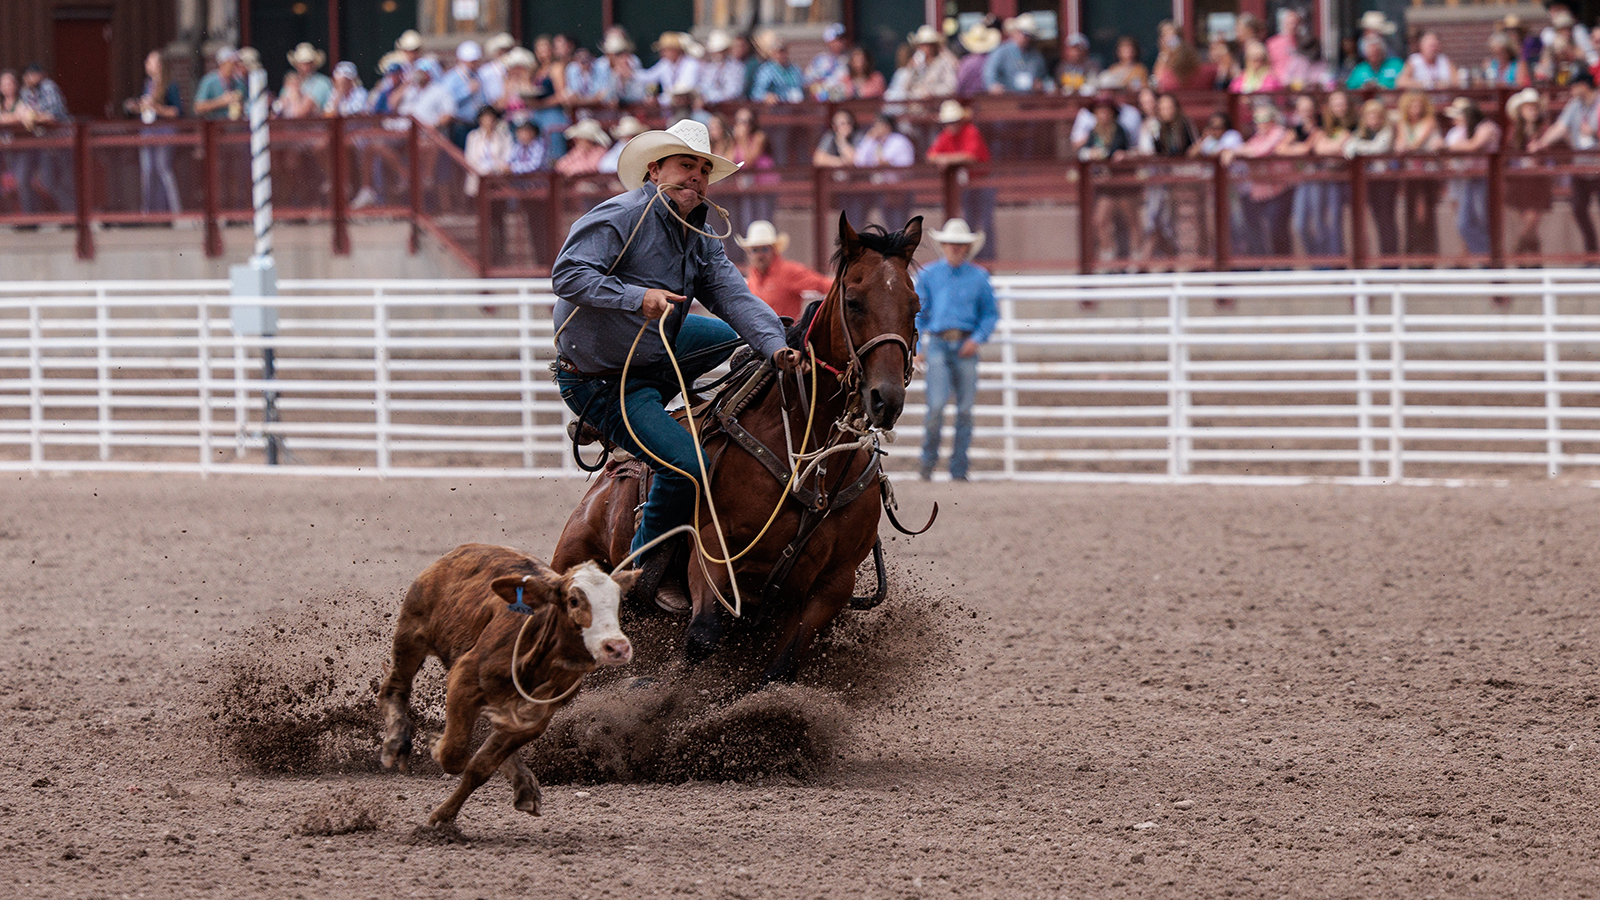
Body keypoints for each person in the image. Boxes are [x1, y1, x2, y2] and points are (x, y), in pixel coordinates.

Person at [549, 119, 802, 608]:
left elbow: (734, 296)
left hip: (649, 350)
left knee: (734, 337)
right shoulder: (619, 217)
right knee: (687, 465)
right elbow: (568, 274)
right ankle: (643, 573)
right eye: (686, 166)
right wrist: (636, 297)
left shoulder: (700, 234)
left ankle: (643, 423)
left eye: (703, 170)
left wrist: (775, 345)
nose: (696, 178)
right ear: (654, 170)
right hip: (602, 378)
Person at [915, 218, 998, 483]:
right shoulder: (929, 275)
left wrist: (977, 339)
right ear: (944, 245)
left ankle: (957, 469)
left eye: (959, 244)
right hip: (939, 343)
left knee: (963, 409)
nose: (955, 248)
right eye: (951, 244)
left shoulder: (979, 277)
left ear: (966, 247)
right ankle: (929, 465)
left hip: (965, 344)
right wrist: (917, 347)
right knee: (937, 408)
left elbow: (989, 315)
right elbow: (917, 315)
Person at [1530, 70, 1600, 255]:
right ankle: (1592, 253)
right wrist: (1541, 143)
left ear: (1584, 85)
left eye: (1574, 85)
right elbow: (1560, 127)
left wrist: (1593, 134)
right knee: (1578, 207)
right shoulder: (1575, 105)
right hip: (1582, 165)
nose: (1571, 89)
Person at [927, 99, 995, 261]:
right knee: (969, 223)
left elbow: (970, 156)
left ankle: (988, 261)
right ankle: (971, 260)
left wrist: (947, 159)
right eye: (948, 122)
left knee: (985, 224)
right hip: (965, 186)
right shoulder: (946, 135)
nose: (951, 125)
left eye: (954, 121)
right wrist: (948, 159)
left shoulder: (971, 131)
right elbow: (931, 156)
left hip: (982, 182)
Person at [737, 220, 831, 321]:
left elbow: (823, 284)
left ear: (774, 250)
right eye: (755, 250)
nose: (760, 255)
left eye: (764, 249)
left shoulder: (789, 272)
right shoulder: (753, 275)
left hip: (785, 334)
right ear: (749, 253)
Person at [1443, 97, 1500, 257]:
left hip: (1486, 180)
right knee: (1464, 223)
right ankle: (1486, 256)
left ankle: (1490, 258)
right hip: (1468, 179)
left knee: (1484, 220)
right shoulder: (1463, 130)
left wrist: (1449, 147)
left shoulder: (1486, 127)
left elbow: (1474, 146)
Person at [1345, 97, 1398, 259]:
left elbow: (1379, 148)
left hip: (1385, 182)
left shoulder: (1386, 131)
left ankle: (1390, 260)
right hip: (1369, 183)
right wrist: (1358, 147)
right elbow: (1348, 149)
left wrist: (1359, 149)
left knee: (1386, 219)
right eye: (1370, 115)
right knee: (1375, 218)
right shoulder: (1361, 133)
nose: (1373, 119)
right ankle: (1380, 258)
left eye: (1376, 115)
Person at [1392, 91, 1441, 259]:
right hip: (1410, 173)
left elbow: (1414, 144)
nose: (1415, 109)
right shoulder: (1403, 124)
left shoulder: (1429, 121)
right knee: (1410, 212)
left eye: (1419, 105)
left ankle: (1427, 254)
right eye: (1412, 105)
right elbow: (1401, 143)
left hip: (1426, 174)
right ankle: (1413, 254)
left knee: (1425, 213)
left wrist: (1405, 146)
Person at [1504, 87, 1552, 258]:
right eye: (1528, 107)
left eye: (1534, 107)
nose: (1532, 110)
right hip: (1521, 183)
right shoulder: (1514, 133)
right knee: (1528, 223)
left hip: (1538, 182)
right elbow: (1508, 157)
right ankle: (1533, 259)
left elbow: (1550, 154)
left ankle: (1518, 251)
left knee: (1532, 222)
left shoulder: (1545, 131)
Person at [985, 13, 1050, 93]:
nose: (1026, 38)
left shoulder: (1036, 56)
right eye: (1023, 34)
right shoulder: (1001, 52)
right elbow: (990, 73)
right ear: (1015, 32)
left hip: (1030, 100)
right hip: (1007, 99)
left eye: (1029, 36)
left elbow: (1044, 78)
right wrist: (993, 86)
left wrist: (1041, 84)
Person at [193, 48, 246, 120]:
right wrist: (222, 102)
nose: (236, 66)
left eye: (236, 63)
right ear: (222, 64)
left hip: (235, 126)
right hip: (215, 126)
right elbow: (198, 107)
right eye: (232, 63)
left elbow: (246, 104)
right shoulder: (209, 81)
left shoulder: (239, 82)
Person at [804, 23, 852, 101]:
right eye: (835, 40)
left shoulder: (850, 60)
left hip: (844, 101)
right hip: (822, 102)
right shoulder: (819, 60)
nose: (839, 43)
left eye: (841, 40)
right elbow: (807, 81)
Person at [749, 35, 804, 103]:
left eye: (784, 51)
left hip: (797, 106)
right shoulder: (766, 70)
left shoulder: (795, 69)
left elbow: (802, 86)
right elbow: (756, 93)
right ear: (773, 53)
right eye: (779, 52)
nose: (782, 55)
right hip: (777, 108)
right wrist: (767, 97)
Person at [286, 43, 333, 111]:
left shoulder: (322, 83)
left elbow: (302, 112)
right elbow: (280, 107)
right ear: (297, 65)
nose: (306, 68)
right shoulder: (292, 81)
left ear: (314, 64)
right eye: (303, 64)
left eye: (309, 63)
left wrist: (294, 93)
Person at [957, 23, 1000, 96]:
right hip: (990, 99)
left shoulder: (967, 62)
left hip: (969, 99)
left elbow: (959, 84)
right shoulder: (994, 60)